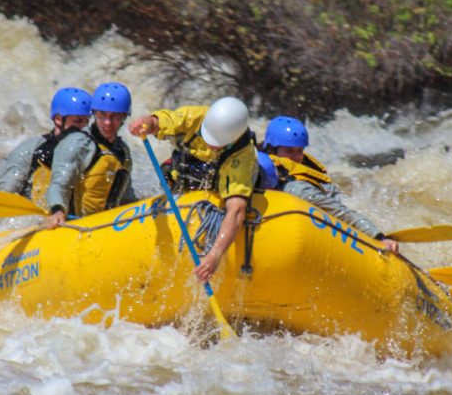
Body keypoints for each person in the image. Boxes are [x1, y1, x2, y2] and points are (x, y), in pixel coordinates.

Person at [127, 96, 257, 282]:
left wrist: (215, 255)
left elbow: (236, 210)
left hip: (218, 187)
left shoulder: (243, 156)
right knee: (168, 171)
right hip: (184, 178)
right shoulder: (195, 116)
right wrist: (145, 123)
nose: (211, 144)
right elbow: (159, 121)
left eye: (217, 143)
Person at [258, 115, 400, 253]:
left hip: (325, 208)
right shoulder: (253, 165)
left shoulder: (297, 188)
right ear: (270, 149)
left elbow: (340, 213)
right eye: (289, 151)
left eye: (299, 151)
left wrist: (377, 236)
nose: (296, 158)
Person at [43, 82, 137, 229]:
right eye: (102, 115)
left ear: (124, 117)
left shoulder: (123, 151)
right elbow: (59, 184)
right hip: (76, 226)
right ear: (93, 114)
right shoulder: (78, 142)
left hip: (106, 226)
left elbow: (126, 197)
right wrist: (57, 210)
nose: (107, 122)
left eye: (115, 116)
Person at [0, 87, 92, 208]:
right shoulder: (32, 148)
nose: (83, 127)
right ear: (58, 119)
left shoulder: (90, 147)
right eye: (77, 121)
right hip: (35, 215)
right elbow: (7, 189)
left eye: (86, 121)